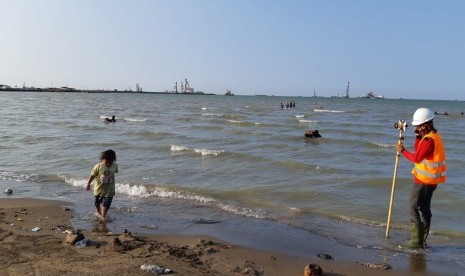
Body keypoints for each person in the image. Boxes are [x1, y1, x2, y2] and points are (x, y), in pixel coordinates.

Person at [396, 108, 446, 249]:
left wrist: (402, 151)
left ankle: (415, 242)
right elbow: (419, 149)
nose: (416, 128)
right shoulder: (433, 136)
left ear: (426, 124)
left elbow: (417, 158)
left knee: (412, 207)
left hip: (423, 180)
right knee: (424, 208)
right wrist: (418, 136)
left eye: (418, 126)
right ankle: (421, 240)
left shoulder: (429, 140)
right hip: (432, 180)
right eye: (416, 126)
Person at [86, 149, 118, 221]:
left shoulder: (115, 166)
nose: (109, 164)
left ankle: (103, 216)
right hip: (99, 189)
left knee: (106, 204)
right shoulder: (98, 166)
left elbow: (114, 173)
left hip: (110, 189)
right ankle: (98, 212)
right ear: (103, 159)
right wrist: (88, 184)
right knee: (97, 202)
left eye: (111, 162)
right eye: (107, 162)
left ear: (114, 160)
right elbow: (92, 175)